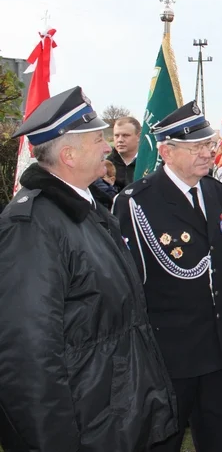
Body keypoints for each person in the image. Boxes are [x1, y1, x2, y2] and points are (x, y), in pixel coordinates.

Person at [0, 87, 177, 451]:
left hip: (118, 417)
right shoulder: (32, 226)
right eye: (98, 138)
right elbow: (28, 354)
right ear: (68, 154)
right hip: (87, 427)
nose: (108, 147)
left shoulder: (88, 210)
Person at [112, 101, 222, 452]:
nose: (208, 152)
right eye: (197, 146)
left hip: (218, 349)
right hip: (170, 355)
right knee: (162, 442)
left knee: (221, 440)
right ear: (167, 151)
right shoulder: (137, 201)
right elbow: (129, 283)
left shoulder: (215, 192)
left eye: (209, 144)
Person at [108, 115, 141, 190]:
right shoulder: (105, 165)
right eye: (116, 135)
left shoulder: (150, 164)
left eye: (125, 135)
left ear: (139, 136)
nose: (120, 140)